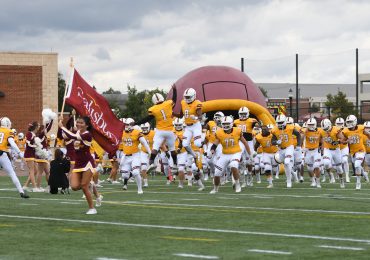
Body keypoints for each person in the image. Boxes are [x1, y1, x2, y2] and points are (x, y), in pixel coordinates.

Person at [59, 116, 102, 214]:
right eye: (78, 122)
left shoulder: (87, 134)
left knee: (83, 186)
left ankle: (92, 208)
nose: (79, 124)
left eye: (81, 123)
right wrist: (60, 124)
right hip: (78, 163)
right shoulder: (76, 132)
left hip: (87, 163)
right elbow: (65, 136)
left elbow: (73, 136)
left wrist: (62, 127)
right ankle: (90, 184)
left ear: (87, 125)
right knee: (74, 187)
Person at [138, 88, 178, 173]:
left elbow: (147, 119)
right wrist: (174, 90)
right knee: (172, 149)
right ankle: (175, 164)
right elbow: (174, 99)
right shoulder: (168, 103)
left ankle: (151, 163)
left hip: (160, 131)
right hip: (170, 130)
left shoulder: (153, 109)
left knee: (155, 147)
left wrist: (136, 123)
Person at [209, 116, 251, 194]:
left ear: (231, 124)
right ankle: (215, 189)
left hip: (236, 153)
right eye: (224, 124)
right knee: (217, 173)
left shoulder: (237, 131)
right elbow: (215, 144)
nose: (225, 125)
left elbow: (245, 143)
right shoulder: (219, 132)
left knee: (233, 165)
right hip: (224, 154)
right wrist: (211, 152)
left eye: (227, 123)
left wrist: (250, 154)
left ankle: (237, 184)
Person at [120, 118, 151, 194]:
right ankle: (127, 177)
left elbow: (144, 143)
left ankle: (140, 189)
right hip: (125, 156)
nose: (128, 126)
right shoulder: (121, 132)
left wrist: (150, 152)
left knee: (136, 172)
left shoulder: (137, 132)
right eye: (127, 124)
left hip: (135, 155)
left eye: (130, 124)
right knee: (124, 176)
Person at [0, 117, 29, 198]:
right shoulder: (8, 131)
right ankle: (21, 192)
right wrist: (20, 154)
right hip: (2, 154)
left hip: (3, 153)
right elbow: (12, 144)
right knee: (12, 173)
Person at [271, 114, 301, 188]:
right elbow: (272, 141)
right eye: (278, 122)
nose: (280, 124)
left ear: (284, 122)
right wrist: (276, 142)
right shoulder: (274, 130)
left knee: (287, 162)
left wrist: (298, 145)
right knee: (284, 164)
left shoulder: (290, 127)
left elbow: (298, 135)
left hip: (289, 147)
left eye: (281, 122)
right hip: (281, 149)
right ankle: (294, 174)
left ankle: (289, 181)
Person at [340, 115, 370, 190]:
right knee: (358, 165)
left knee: (357, 165)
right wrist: (346, 141)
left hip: (361, 150)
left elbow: (368, 134)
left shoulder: (361, 128)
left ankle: (358, 183)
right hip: (353, 152)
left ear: (355, 121)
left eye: (350, 121)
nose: (349, 123)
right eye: (348, 122)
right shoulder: (346, 131)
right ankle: (364, 174)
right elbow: (342, 141)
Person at [320, 119, 346, 188]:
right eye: (324, 129)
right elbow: (321, 139)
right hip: (327, 149)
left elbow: (343, 139)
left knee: (339, 168)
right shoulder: (322, 131)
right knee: (326, 163)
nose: (325, 130)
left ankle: (341, 180)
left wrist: (337, 142)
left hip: (336, 150)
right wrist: (321, 148)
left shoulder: (336, 130)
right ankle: (330, 175)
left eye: (326, 128)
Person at [302, 118, 323, 188]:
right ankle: (313, 180)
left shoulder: (320, 130)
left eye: (312, 124)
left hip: (316, 151)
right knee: (309, 169)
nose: (310, 126)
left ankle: (318, 182)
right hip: (308, 151)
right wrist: (303, 132)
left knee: (317, 166)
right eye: (309, 125)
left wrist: (322, 148)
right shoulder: (306, 131)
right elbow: (301, 138)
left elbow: (322, 139)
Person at [23, 121, 39, 191]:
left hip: (33, 154)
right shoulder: (29, 134)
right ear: (35, 127)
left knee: (36, 170)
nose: (39, 127)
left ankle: (25, 186)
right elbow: (28, 144)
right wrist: (35, 146)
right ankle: (35, 187)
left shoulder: (34, 134)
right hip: (29, 154)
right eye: (38, 126)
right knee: (32, 171)